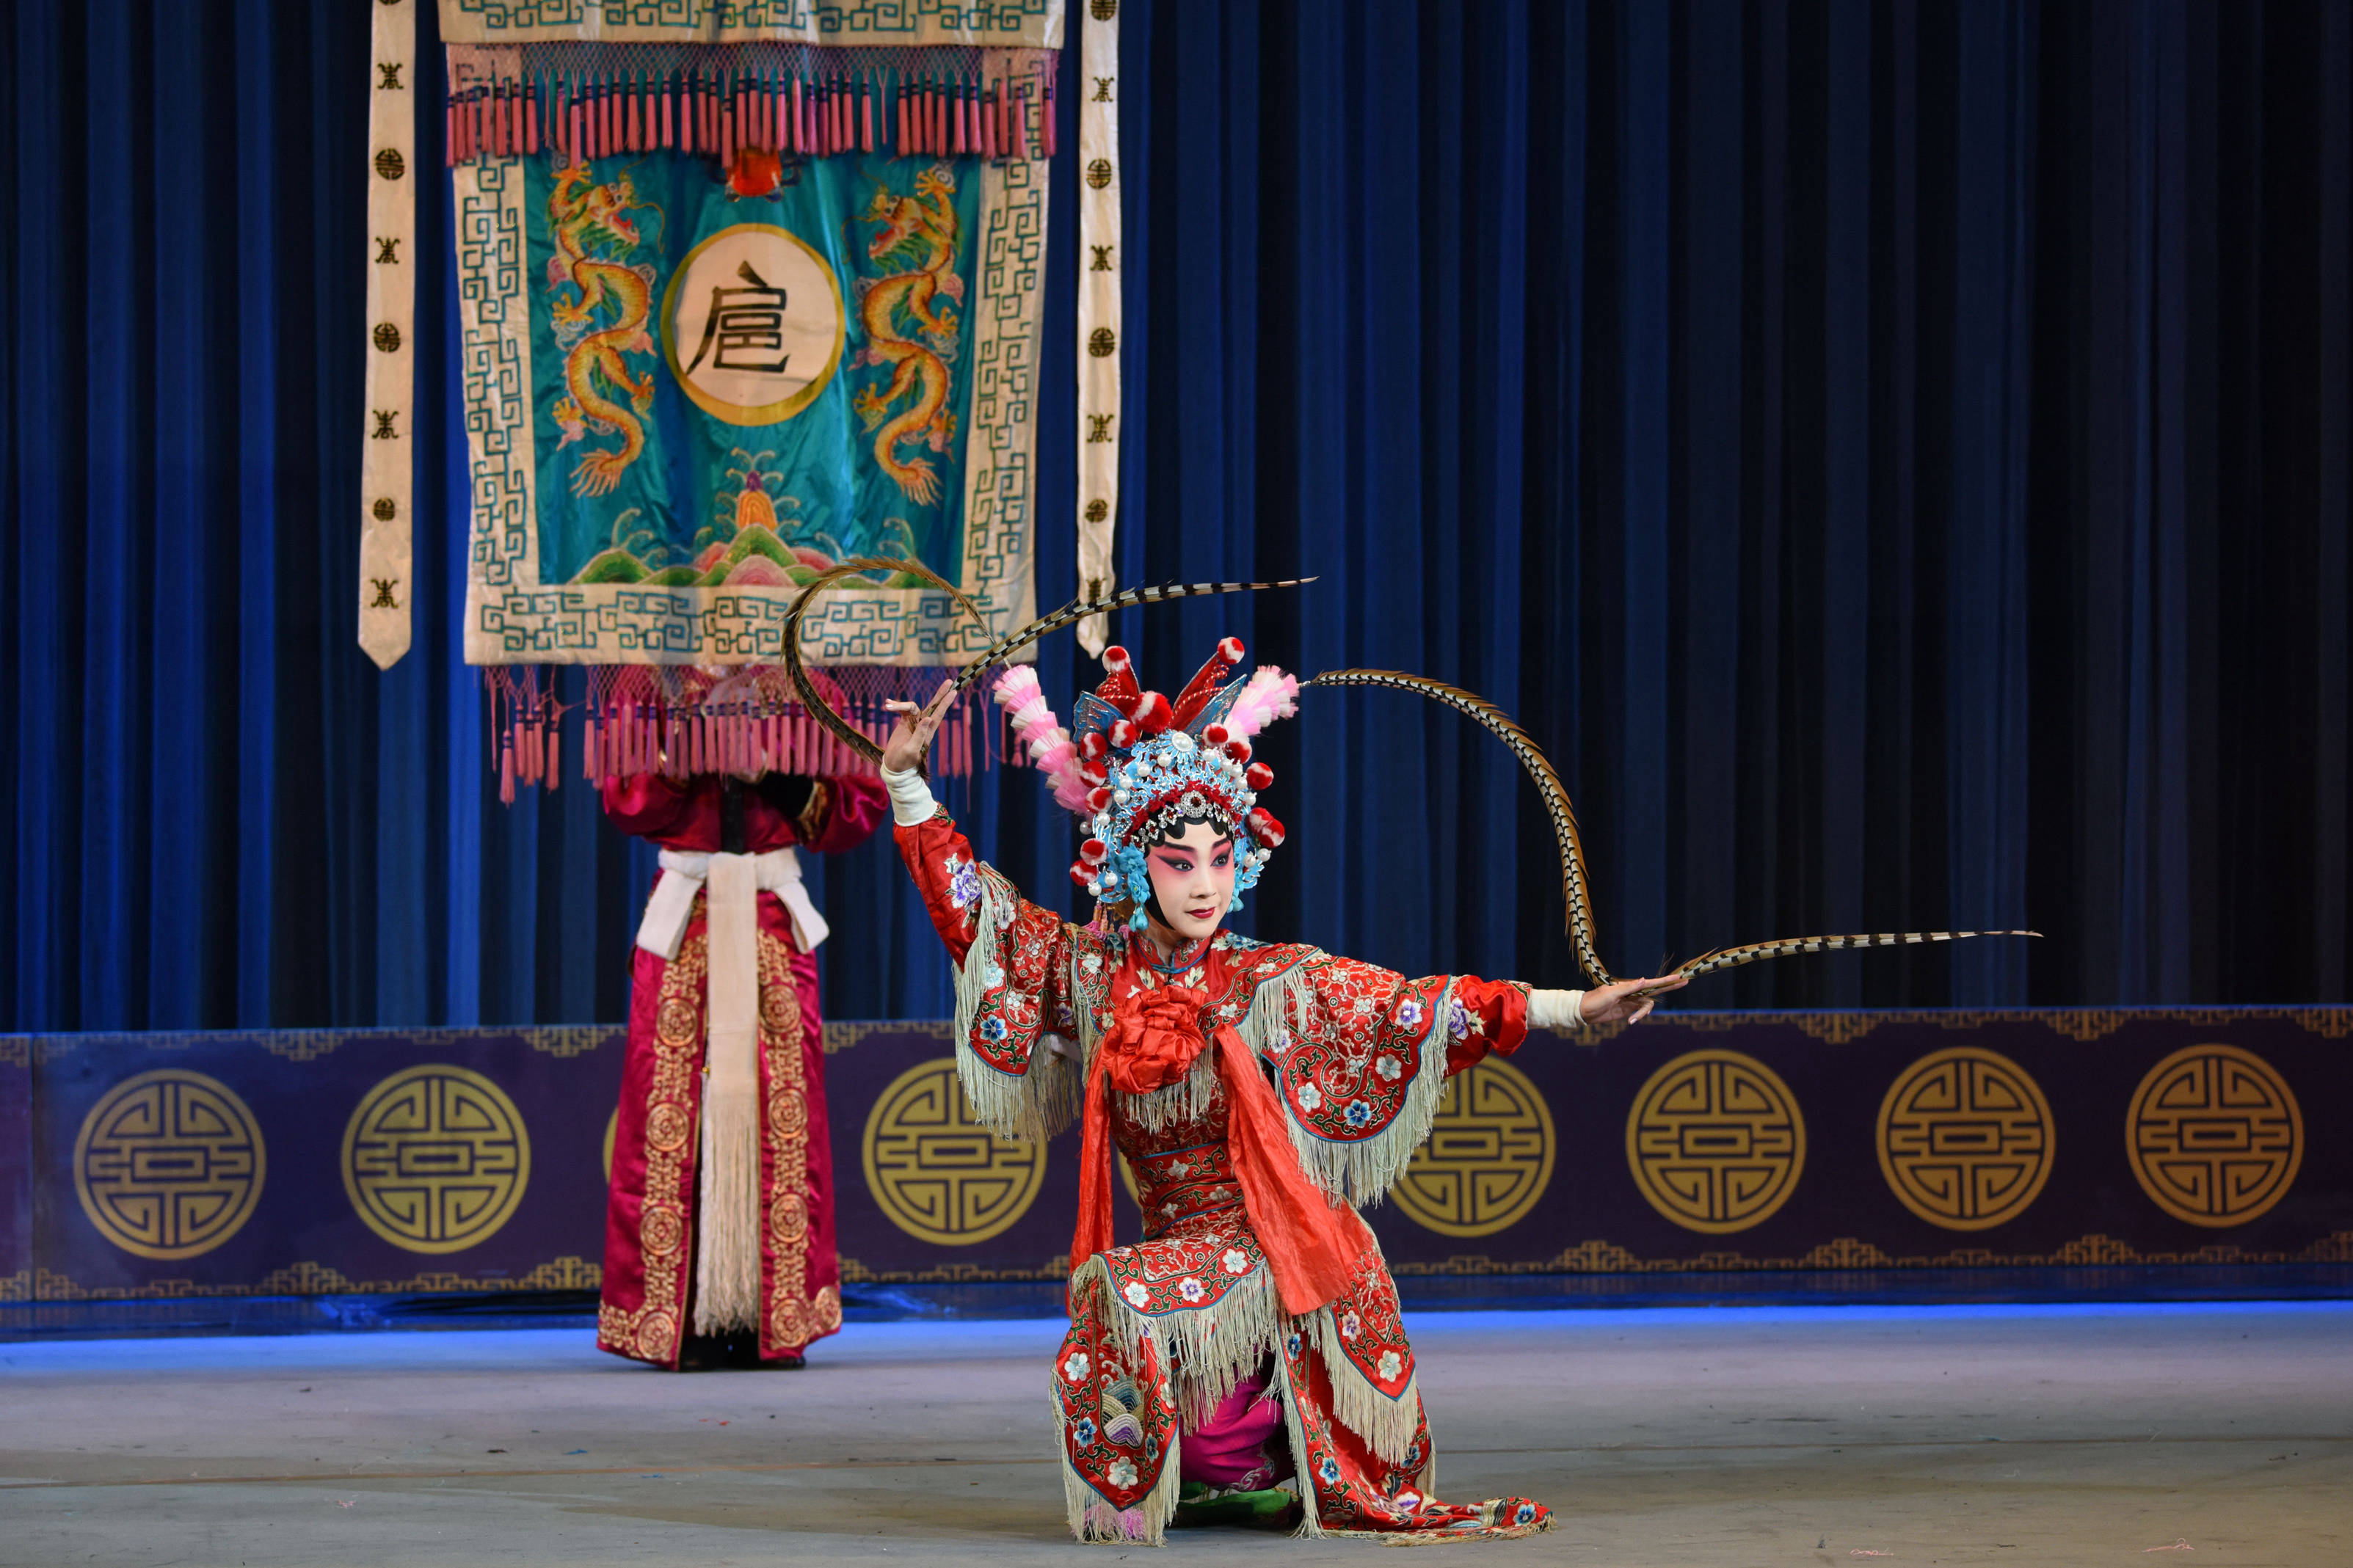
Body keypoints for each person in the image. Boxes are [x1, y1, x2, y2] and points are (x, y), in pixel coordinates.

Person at [879, 639, 1685, 1542]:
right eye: (1179, 861)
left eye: (1221, 859)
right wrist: (907, 785)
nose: (1205, 884)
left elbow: (1421, 1007)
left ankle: (1282, 1439)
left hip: (1278, 1250)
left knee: (1133, 1313)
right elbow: (977, 920)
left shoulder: (1272, 981)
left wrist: (1574, 1006)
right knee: (1136, 1357)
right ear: (1133, 863)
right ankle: (1243, 1447)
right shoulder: (1085, 971)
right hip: (1179, 1261)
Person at [596, 664, 888, 1371]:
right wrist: (690, 756)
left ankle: (773, 1316)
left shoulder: (806, 681)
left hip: (770, 917)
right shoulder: (650, 680)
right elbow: (624, 800)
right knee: (672, 1114)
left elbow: (857, 808)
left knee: (780, 1115)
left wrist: (772, 776)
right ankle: (678, 1320)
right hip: (686, 914)